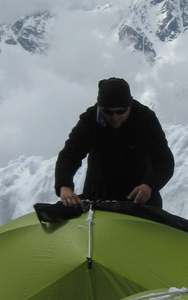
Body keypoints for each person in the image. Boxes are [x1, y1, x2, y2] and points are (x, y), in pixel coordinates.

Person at [55, 78, 174, 210]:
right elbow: (70, 154)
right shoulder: (90, 120)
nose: (115, 117)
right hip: (99, 200)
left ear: (130, 106)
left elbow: (164, 160)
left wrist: (149, 185)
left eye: (121, 111)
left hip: (140, 201)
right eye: (108, 112)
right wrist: (64, 186)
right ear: (100, 107)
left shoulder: (145, 119)